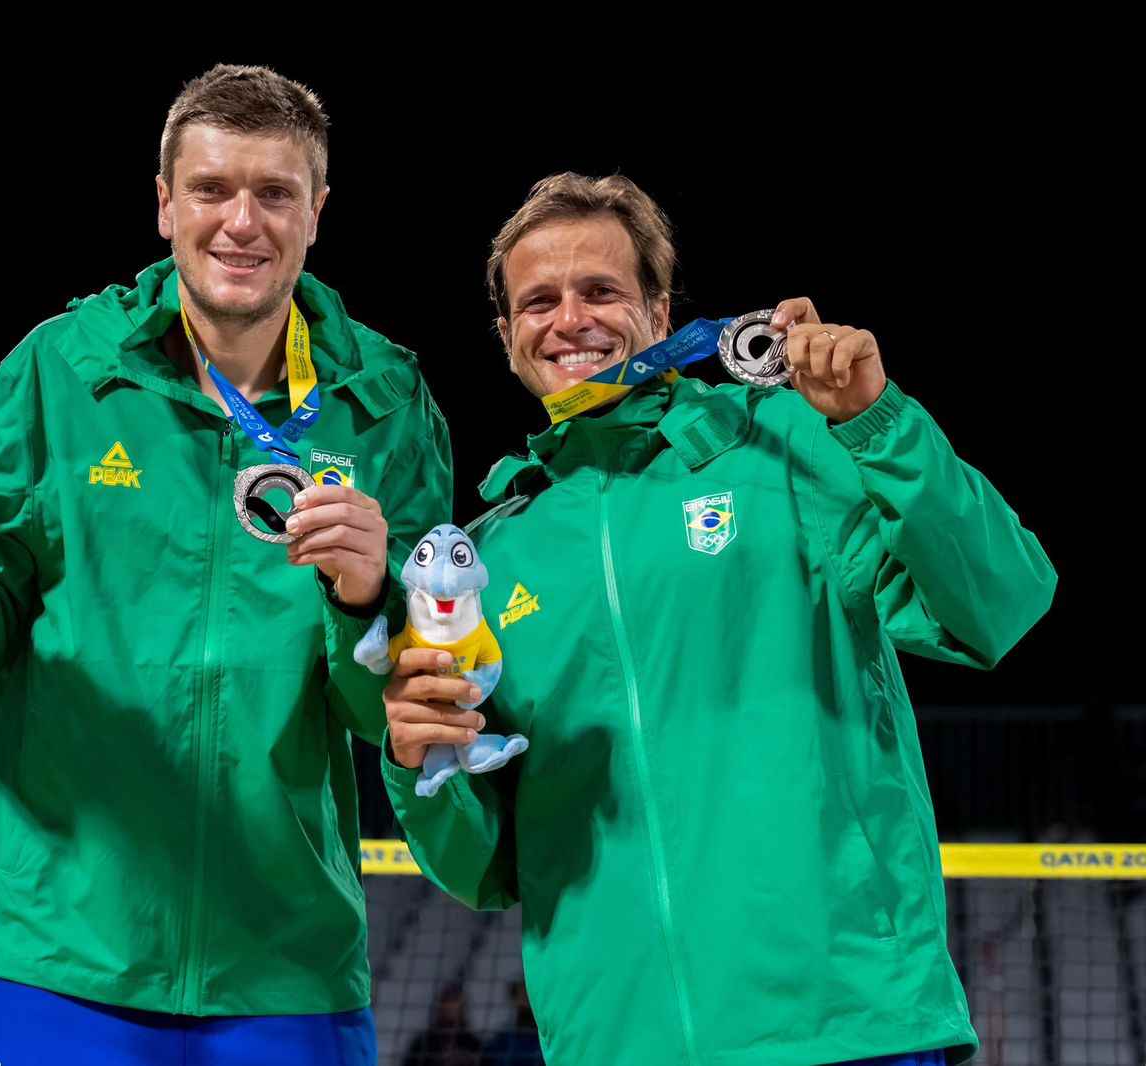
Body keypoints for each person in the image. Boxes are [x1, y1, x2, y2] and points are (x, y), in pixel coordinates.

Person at [0, 65, 452, 1066]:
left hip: (283, 966)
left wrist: (367, 598)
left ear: (317, 212)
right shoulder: (60, 369)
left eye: (274, 193)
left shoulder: (384, 403)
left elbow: (397, 710)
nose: (239, 222)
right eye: (211, 189)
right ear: (165, 203)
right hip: (59, 949)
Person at [375, 173, 1056, 1065]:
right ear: (508, 339)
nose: (569, 318)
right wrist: (414, 756)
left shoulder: (785, 444)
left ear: (660, 315)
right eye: (538, 301)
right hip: (616, 1043)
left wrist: (876, 422)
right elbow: (482, 867)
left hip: (841, 1027)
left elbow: (1002, 602)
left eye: (601, 291)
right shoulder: (486, 559)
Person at [402, 982, 484, 1066]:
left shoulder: (473, 1045)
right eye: (447, 1002)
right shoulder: (422, 1044)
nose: (450, 1007)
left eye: (455, 1002)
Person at [480, 980, 543, 1066]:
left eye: (526, 993)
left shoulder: (543, 1036)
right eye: (521, 994)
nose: (525, 998)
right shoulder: (502, 1039)